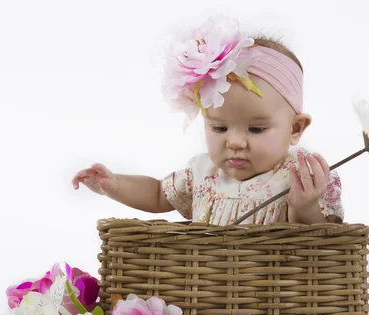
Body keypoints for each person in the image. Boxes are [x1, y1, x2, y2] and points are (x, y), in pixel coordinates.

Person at [72, 18, 343, 225]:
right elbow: (157, 194)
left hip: (276, 294)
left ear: (295, 128)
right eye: (219, 127)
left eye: (256, 128)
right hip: (206, 292)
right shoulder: (203, 174)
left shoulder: (301, 176)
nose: (235, 142)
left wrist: (305, 207)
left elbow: (320, 246)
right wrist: (115, 185)